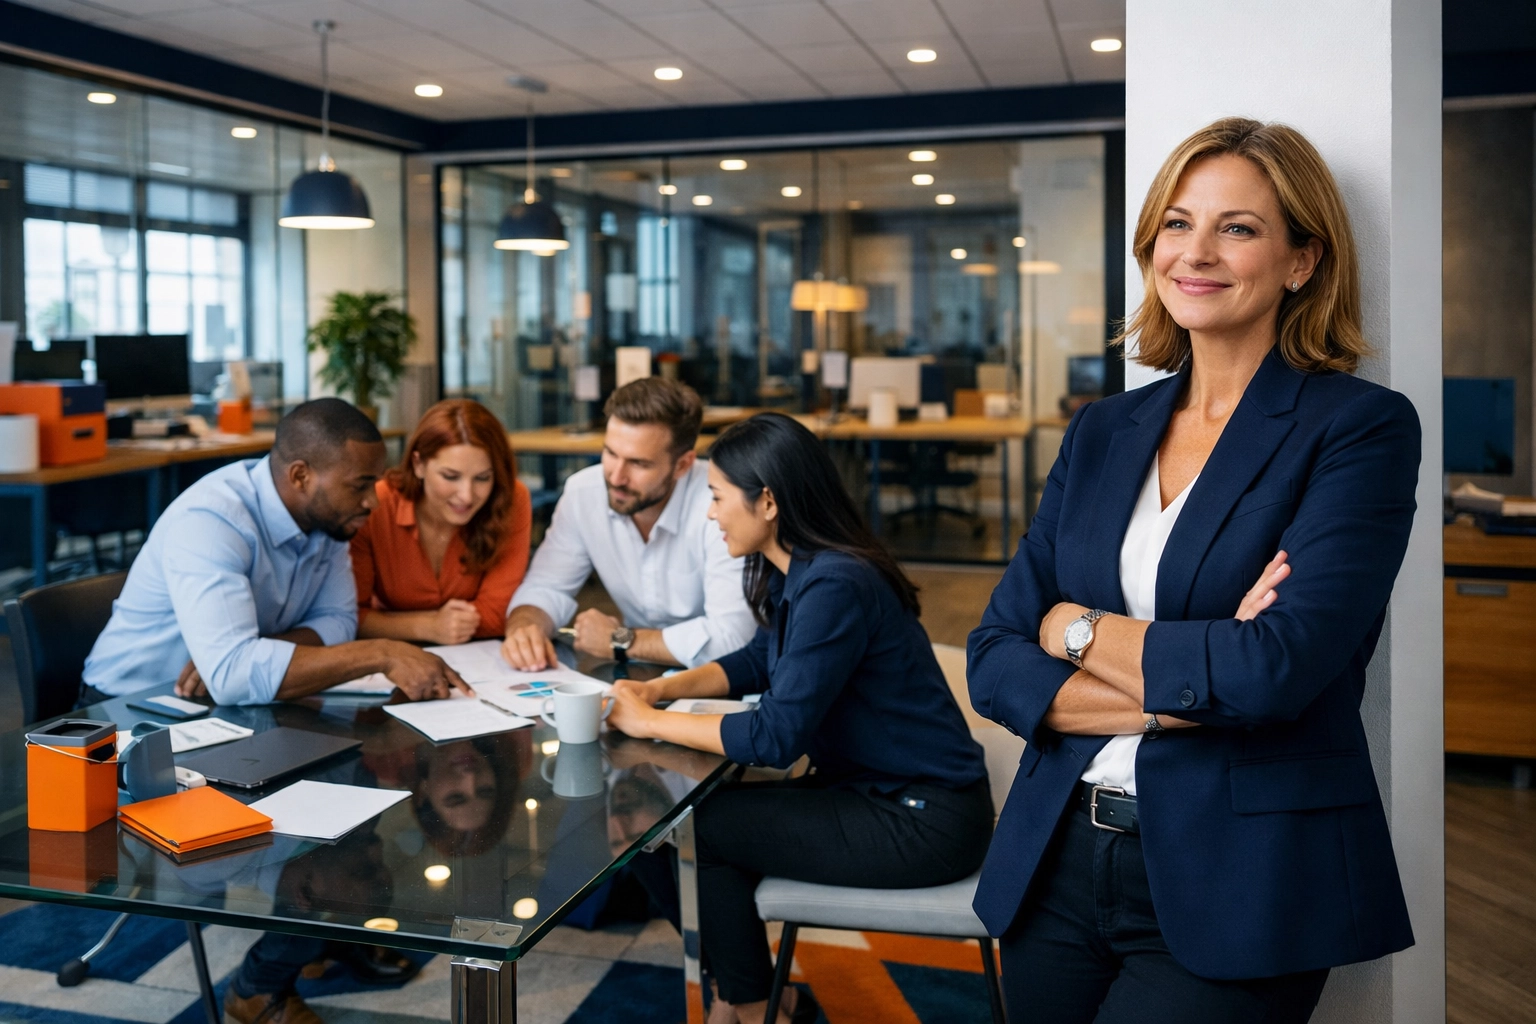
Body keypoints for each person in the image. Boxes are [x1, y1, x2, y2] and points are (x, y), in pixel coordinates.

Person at [967, 117, 1420, 1024]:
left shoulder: (1358, 428)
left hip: (1242, 879)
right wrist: (1197, 675)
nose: (1196, 252)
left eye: (1238, 227)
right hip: (1055, 860)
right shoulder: (1104, 430)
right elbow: (994, 655)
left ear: (1301, 260)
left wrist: (1078, 629)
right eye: (1177, 224)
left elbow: (1276, 671)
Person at [607, 412, 993, 1024]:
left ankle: (754, 1005)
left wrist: (648, 724)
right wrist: (662, 689)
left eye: (716, 497)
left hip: (923, 820)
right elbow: (759, 659)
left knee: (687, 826)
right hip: (883, 795)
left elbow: (775, 737)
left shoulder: (835, 583)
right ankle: (757, 997)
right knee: (685, 826)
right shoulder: (808, 569)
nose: (710, 514)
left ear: (767, 502)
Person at [83, 398, 472, 706]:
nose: (373, 502)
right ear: (300, 476)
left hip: (221, 705)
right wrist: (381, 654)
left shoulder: (328, 520)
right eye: (360, 485)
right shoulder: (212, 520)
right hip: (127, 707)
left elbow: (338, 623)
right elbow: (234, 676)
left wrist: (252, 656)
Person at [502, 377, 754, 672]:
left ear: (683, 465)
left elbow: (733, 637)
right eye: (610, 453)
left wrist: (622, 640)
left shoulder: (721, 504)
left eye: (638, 464)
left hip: (729, 682)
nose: (616, 477)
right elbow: (546, 586)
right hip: (639, 674)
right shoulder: (584, 493)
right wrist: (526, 626)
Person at [351, 398, 532, 646]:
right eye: (450, 476)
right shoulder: (377, 504)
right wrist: (427, 626)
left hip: (481, 660)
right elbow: (349, 617)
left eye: (482, 478)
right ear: (418, 465)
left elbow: (498, 614)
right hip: (395, 658)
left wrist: (389, 622)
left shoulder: (510, 498)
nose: (466, 495)